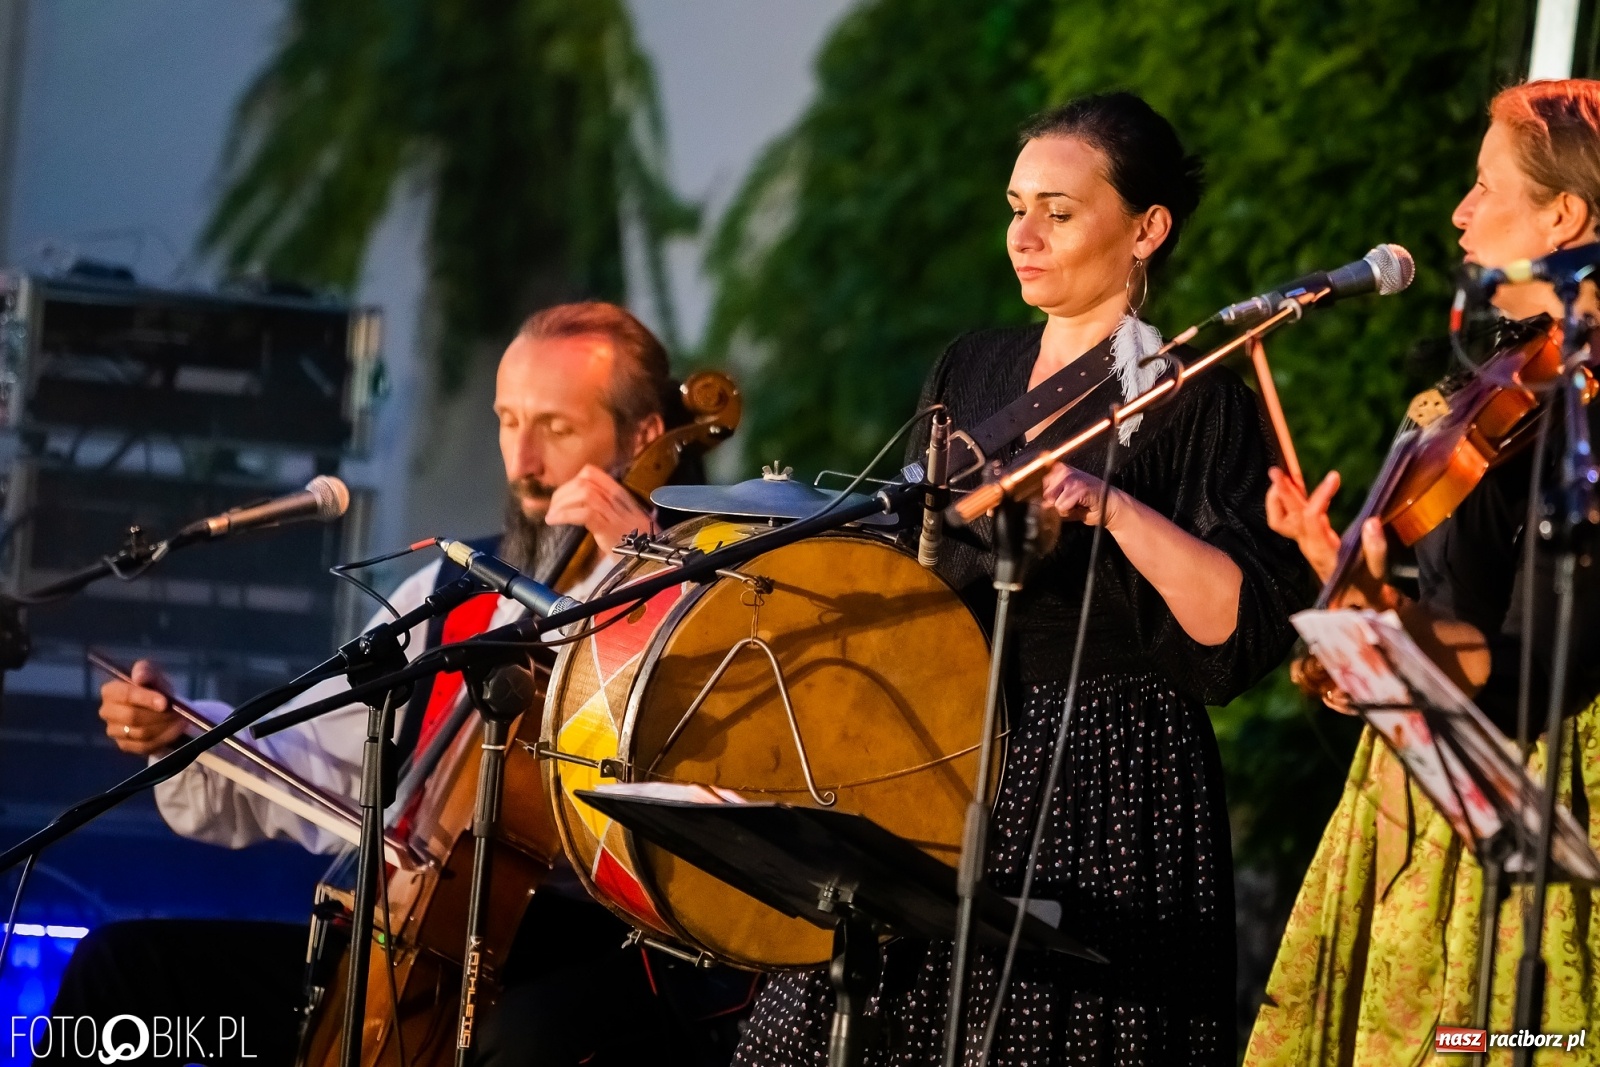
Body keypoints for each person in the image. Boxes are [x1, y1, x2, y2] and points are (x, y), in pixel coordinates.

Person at [731, 92, 1307, 1067]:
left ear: (1147, 230)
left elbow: (1235, 630)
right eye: (1015, 207)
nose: (1023, 236)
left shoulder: (1195, 394)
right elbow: (920, 559)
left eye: (1059, 211)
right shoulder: (974, 366)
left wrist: (1112, 507)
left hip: (1107, 770)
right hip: (944, 738)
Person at [56, 301, 725, 1067]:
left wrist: (640, 568)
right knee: (124, 978)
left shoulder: (705, 590)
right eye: (508, 421)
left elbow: (706, 783)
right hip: (411, 944)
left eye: (556, 428)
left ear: (643, 437)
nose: (523, 460)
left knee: (522, 1038)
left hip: (577, 954)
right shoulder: (453, 587)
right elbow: (316, 754)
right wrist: (184, 731)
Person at [1245, 79, 1600, 1065]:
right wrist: (1356, 596)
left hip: (1550, 793)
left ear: (1563, 218)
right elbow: (1456, 620)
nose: (1458, 212)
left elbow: (1533, 676)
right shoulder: (1481, 397)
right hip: (1437, 795)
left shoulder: (1577, 418)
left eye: (1485, 186)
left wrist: (1390, 620)